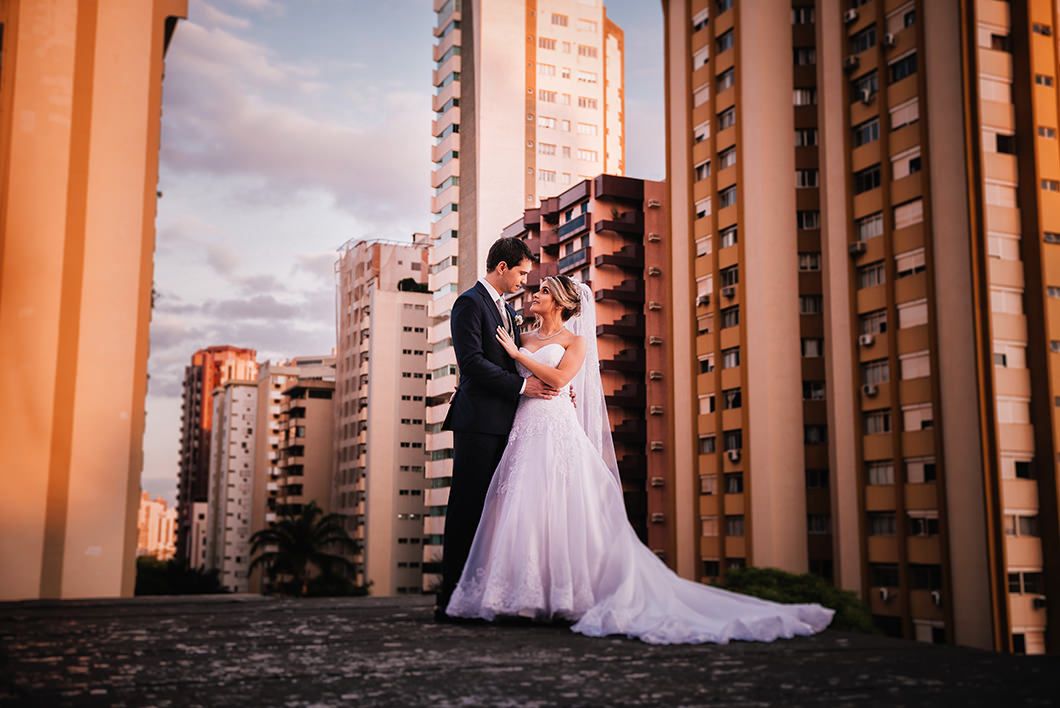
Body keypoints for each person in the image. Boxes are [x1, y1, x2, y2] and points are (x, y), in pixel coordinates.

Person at [445, 274, 835, 644]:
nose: (534, 294)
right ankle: (522, 595)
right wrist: (488, 372)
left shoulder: (573, 341)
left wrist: (519, 357)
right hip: (524, 423)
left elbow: (561, 380)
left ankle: (568, 594)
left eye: (543, 291)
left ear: (561, 303)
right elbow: (491, 367)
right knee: (522, 505)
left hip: (554, 421)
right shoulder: (521, 333)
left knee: (563, 504)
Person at [435, 237, 563, 621]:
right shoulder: (469, 303)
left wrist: (557, 388)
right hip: (477, 424)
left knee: (494, 514)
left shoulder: (507, 312)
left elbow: (517, 361)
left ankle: (480, 596)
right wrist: (525, 387)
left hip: (509, 426)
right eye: (522, 273)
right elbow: (471, 362)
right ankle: (450, 600)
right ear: (502, 268)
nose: (525, 281)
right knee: (467, 509)